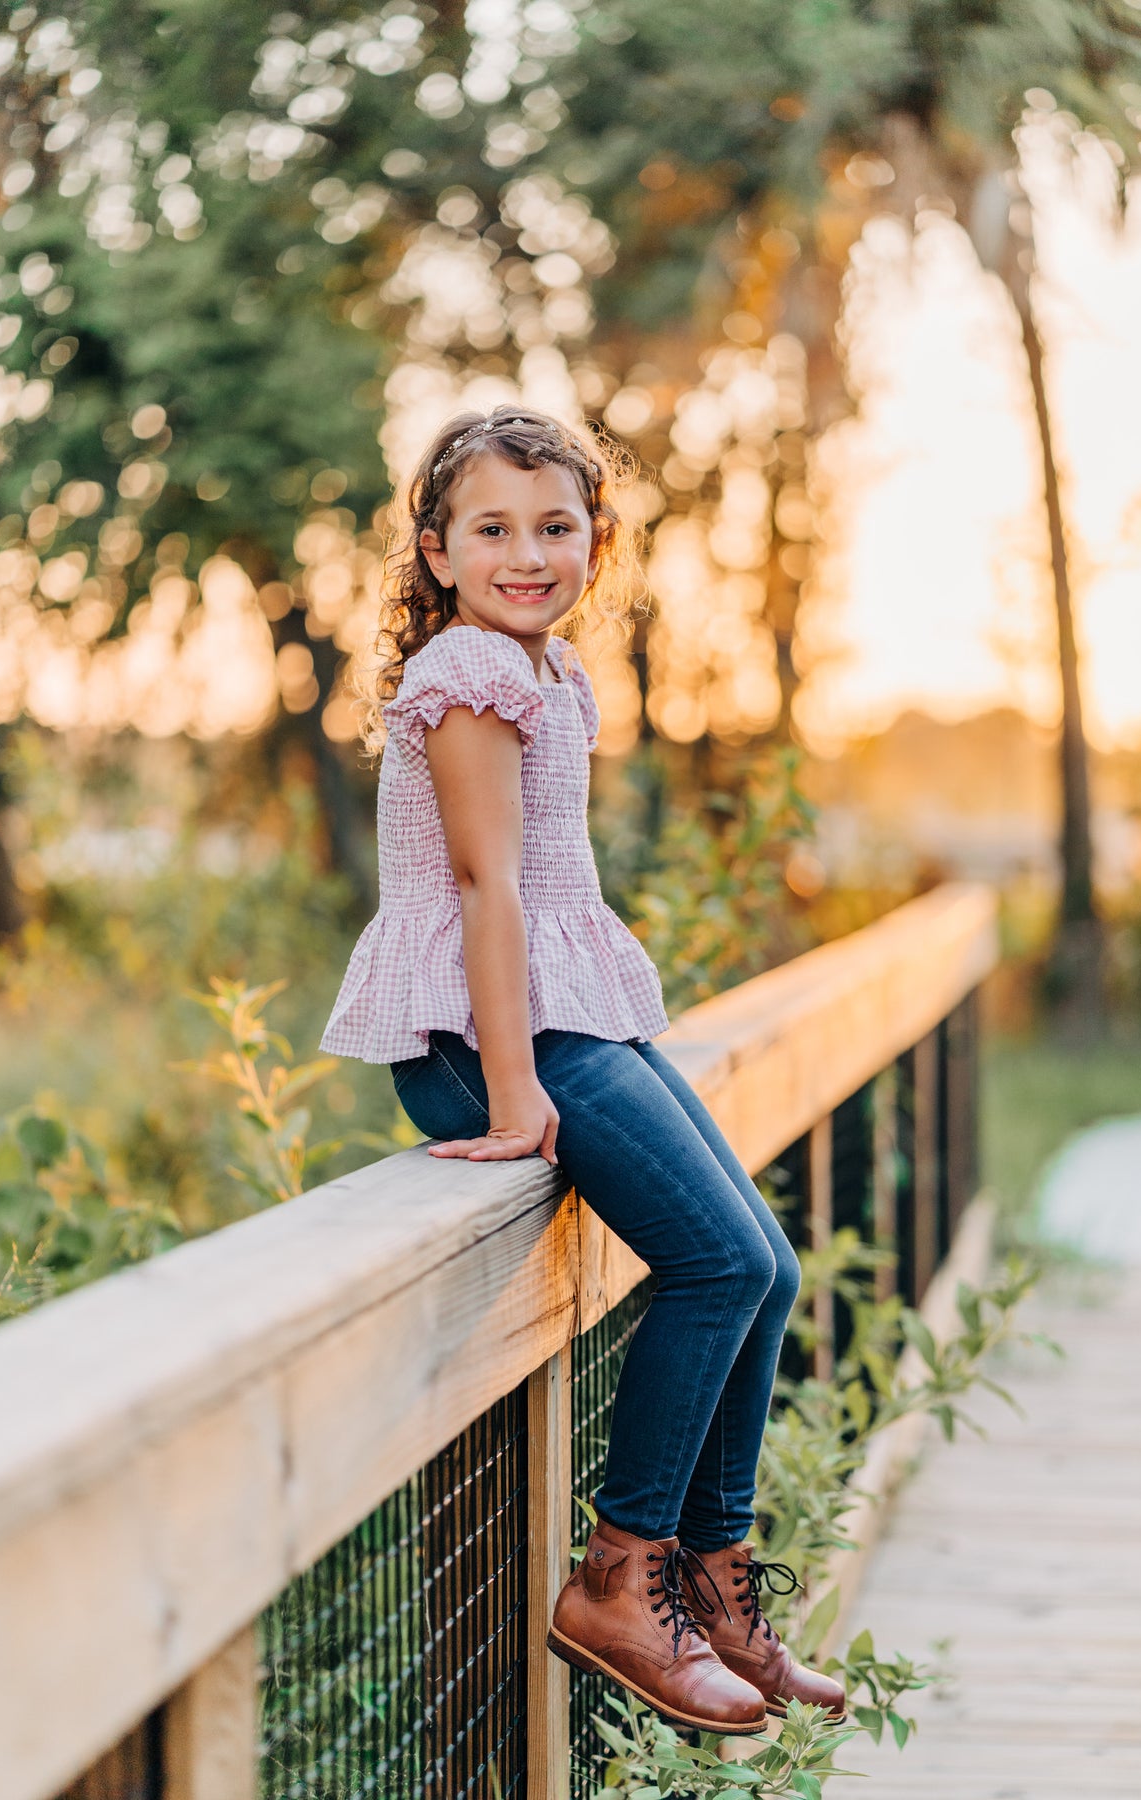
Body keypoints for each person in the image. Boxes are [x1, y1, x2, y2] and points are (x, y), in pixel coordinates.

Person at [321, 403, 845, 1734]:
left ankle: (716, 1589)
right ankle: (621, 1581)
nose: (527, 553)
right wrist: (514, 1097)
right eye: (492, 528)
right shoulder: (465, 679)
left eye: (557, 527)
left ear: (596, 545)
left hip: (562, 1017)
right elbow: (490, 889)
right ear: (436, 550)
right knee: (719, 1265)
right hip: (490, 1040)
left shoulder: (548, 672)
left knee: (763, 1267)